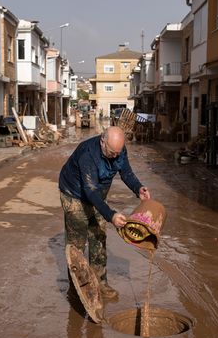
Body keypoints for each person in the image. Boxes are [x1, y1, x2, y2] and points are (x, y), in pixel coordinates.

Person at [59, 126, 151, 299]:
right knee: (76, 243)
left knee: (99, 236)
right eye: (111, 152)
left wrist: (137, 188)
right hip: (74, 193)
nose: (115, 156)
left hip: (98, 194)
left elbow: (126, 172)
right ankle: (76, 288)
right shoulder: (88, 154)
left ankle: (100, 282)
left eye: (118, 152)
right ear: (102, 141)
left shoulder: (118, 149)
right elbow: (90, 191)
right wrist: (111, 215)